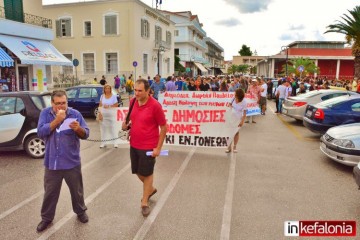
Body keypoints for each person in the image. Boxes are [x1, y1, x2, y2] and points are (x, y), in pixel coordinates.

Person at [36, 90, 90, 232]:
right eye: (58, 104)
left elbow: (86, 133)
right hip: (52, 163)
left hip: (71, 161)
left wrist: (78, 129)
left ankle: (80, 211)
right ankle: (46, 218)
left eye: (64, 103)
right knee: (50, 193)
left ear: (67, 102)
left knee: (76, 191)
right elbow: (41, 132)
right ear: (52, 103)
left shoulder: (75, 114)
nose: (61, 106)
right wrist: (57, 121)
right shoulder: (45, 114)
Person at [122, 79, 167, 217]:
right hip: (134, 143)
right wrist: (125, 124)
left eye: (140, 90)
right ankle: (151, 189)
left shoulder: (155, 106)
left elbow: (164, 127)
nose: (136, 93)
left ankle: (144, 201)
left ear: (148, 91)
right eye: (135, 90)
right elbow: (128, 119)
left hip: (148, 146)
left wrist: (158, 148)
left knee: (147, 173)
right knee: (137, 171)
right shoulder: (133, 102)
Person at [226, 88, 247, 153]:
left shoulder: (244, 102)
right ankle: (229, 147)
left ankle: (234, 146)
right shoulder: (233, 99)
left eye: (236, 94)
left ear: (239, 95)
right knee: (229, 132)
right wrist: (230, 106)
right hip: (231, 118)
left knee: (236, 132)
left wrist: (242, 121)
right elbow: (229, 105)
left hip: (238, 118)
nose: (234, 95)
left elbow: (244, 113)